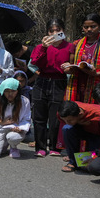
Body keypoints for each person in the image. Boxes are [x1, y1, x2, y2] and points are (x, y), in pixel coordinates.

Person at [30, 19, 74, 157]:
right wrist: (43, 47)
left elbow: (73, 66)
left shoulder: (70, 46)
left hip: (59, 82)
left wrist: (69, 67)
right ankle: (40, 147)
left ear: (63, 30)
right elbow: (35, 62)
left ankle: (55, 146)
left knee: (55, 117)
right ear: (47, 33)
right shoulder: (40, 47)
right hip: (42, 82)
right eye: (51, 31)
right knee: (39, 117)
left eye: (58, 30)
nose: (55, 33)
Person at [63, 13, 100, 104]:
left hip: (96, 82)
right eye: (86, 27)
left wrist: (97, 73)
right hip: (77, 83)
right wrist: (67, 68)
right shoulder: (76, 43)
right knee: (76, 111)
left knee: (94, 111)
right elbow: (71, 66)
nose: (89, 29)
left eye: (93, 26)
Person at [0, 78, 32, 158]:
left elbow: (27, 119)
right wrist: (1, 122)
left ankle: (13, 147)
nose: (10, 94)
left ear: (18, 91)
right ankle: (4, 143)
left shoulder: (24, 101)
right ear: (2, 91)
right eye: (7, 91)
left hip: (15, 130)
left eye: (13, 91)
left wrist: (20, 128)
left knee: (12, 137)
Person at [58, 100, 100, 173]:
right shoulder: (63, 113)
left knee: (90, 165)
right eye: (65, 120)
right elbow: (67, 123)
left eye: (70, 120)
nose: (67, 122)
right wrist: (79, 122)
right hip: (81, 130)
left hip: (98, 135)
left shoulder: (98, 113)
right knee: (67, 128)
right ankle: (72, 161)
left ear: (80, 114)